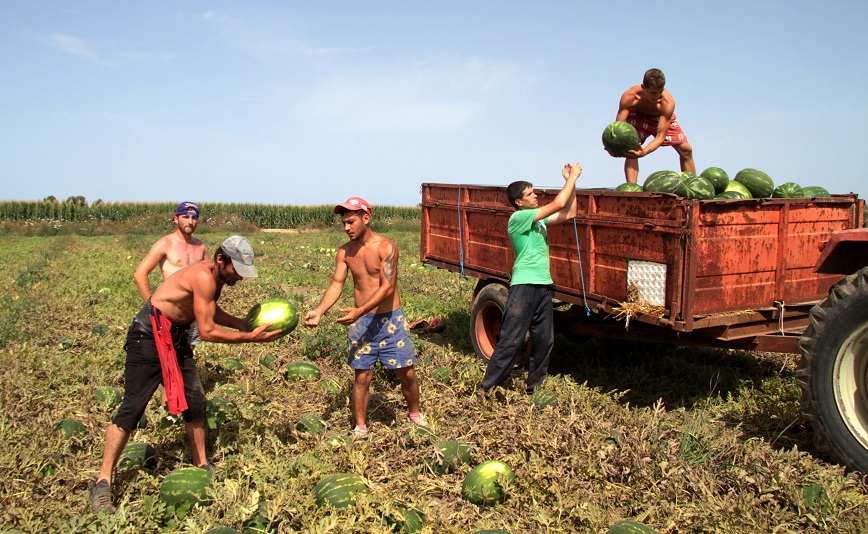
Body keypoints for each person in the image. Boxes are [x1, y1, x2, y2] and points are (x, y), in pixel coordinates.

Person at [88, 236, 284, 514]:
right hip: (147, 336)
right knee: (132, 408)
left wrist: (240, 323)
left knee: (196, 401)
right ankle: (102, 481)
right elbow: (206, 331)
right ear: (221, 260)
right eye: (236, 270)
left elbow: (210, 310)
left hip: (175, 337)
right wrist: (248, 337)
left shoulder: (214, 279)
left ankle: (201, 463)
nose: (240, 278)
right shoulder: (203, 277)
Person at [303, 197, 427, 437]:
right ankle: (360, 427)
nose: (346, 227)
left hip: (391, 320)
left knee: (406, 372)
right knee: (362, 376)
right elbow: (336, 284)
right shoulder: (344, 252)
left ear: (366, 218)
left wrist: (360, 310)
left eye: (350, 222)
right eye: (343, 223)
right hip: (361, 324)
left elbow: (387, 287)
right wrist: (319, 310)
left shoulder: (386, 247)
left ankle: (415, 414)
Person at [479, 162, 582, 394]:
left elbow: (570, 212)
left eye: (534, 192)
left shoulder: (539, 222)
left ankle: (533, 386)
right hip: (524, 286)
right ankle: (488, 387)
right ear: (519, 202)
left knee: (545, 340)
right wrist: (571, 177)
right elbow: (558, 203)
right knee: (512, 339)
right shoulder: (518, 219)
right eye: (530, 194)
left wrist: (572, 182)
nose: (535, 196)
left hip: (543, 285)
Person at [133, 201, 209, 409]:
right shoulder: (165, 244)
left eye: (194, 218)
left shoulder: (200, 247)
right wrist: (151, 305)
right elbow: (140, 273)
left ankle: (182, 402)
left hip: (192, 313)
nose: (190, 221)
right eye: (185, 217)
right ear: (176, 219)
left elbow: (210, 277)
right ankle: (166, 407)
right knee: (166, 358)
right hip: (167, 313)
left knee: (186, 354)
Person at [610, 68, 695, 184]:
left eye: (660, 92)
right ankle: (632, 188)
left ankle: (692, 186)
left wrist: (644, 152)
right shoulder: (630, 97)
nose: (657, 97)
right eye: (653, 93)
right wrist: (614, 146)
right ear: (643, 87)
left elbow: (660, 137)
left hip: (660, 118)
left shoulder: (667, 102)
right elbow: (618, 127)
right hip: (637, 115)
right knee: (632, 148)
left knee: (686, 150)